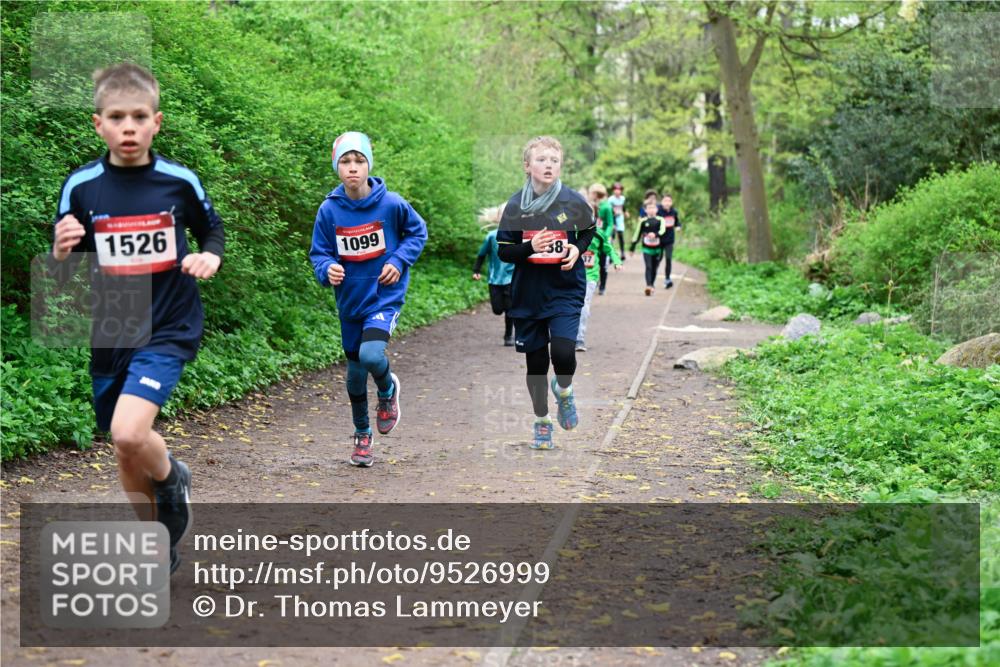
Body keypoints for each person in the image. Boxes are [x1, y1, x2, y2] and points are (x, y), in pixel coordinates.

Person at [49, 63, 225, 573]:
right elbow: (63, 255)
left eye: (139, 116)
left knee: (129, 433)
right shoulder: (81, 186)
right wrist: (61, 252)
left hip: (169, 323)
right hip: (113, 324)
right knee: (125, 448)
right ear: (98, 124)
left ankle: (170, 480)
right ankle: (158, 539)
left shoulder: (178, 181)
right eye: (117, 117)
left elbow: (212, 230)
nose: (129, 127)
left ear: (157, 122)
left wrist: (209, 256)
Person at [310, 132, 428, 467]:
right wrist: (327, 268)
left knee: (372, 354)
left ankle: (388, 390)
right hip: (350, 303)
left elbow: (418, 232)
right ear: (337, 167)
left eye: (358, 161)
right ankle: (362, 435)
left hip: (383, 298)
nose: (352, 168)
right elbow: (318, 253)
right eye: (345, 161)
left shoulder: (391, 204)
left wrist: (398, 260)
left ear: (368, 165)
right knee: (354, 374)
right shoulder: (329, 211)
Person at [497, 136, 595, 450]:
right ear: (527, 166)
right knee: (536, 365)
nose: (548, 165)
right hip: (528, 295)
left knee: (564, 354)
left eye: (554, 159)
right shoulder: (515, 206)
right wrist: (530, 247)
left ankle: (564, 391)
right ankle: (542, 420)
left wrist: (576, 250)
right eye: (541, 159)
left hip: (565, 290)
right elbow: (504, 253)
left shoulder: (572, 201)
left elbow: (589, 230)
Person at [577, 185, 622, 351]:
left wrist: (617, 261)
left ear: (594, 216)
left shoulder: (598, 233)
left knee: (584, 306)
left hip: (590, 275)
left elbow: (609, 249)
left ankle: (579, 339)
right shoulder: (571, 231)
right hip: (570, 275)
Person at [472, 204, 515, 346]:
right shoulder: (491, 236)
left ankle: (508, 336)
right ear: (498, 217)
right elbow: (481, 255)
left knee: (510, 308)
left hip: (512, 277)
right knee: (497, 310)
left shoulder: (518, 235)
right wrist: (476, 271)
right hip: (495, 278)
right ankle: (505, 319)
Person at [630, 200, 667, 296]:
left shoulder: (660, 220)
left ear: (657, 209)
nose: (651, 210)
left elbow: (663, 231)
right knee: (648, 267)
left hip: (658, 249)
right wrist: (632, 247)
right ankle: (648, 286)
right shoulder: (643, 221)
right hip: (646, 248)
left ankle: (652, 285)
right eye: (649, 208)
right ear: (645, 210)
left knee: (655, 268)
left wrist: (655, 234)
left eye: (653, 208)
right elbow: (637, 234)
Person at [593, 183, 616, 295]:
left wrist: (605, 236)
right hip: (592, 239)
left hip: (603, 238)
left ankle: (603, 286)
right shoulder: (590, 205)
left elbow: (610, 224)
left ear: (596, 194)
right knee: (592, 261)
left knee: (603, 263)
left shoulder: (606, 206)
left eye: (592, 193)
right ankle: (594, 280)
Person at [659, 194, 682, 288]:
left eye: (669, 201)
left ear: (671, 203)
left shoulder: (674, 212)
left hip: (669, 240)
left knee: (668, 259)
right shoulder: (658, 212)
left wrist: (678, 227)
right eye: (665, 201)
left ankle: (667, 279)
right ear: (662, 202)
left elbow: (677, 222)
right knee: (658, 259)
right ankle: (651, 278)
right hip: (659, 240)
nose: (667, 203)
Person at [607, 182, 628, 258]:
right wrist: (613, 213)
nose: (617, 191)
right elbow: (608, 209)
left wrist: (625, 212)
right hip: (612, 219)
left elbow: (623, 207)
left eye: (619, 190)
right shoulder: (610, 199)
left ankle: (622, 252)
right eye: (616, 189)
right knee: (612, 236)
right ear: (613, 190)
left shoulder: (623, 198)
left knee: (621, 235)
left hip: (620, 219)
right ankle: (611, 254)